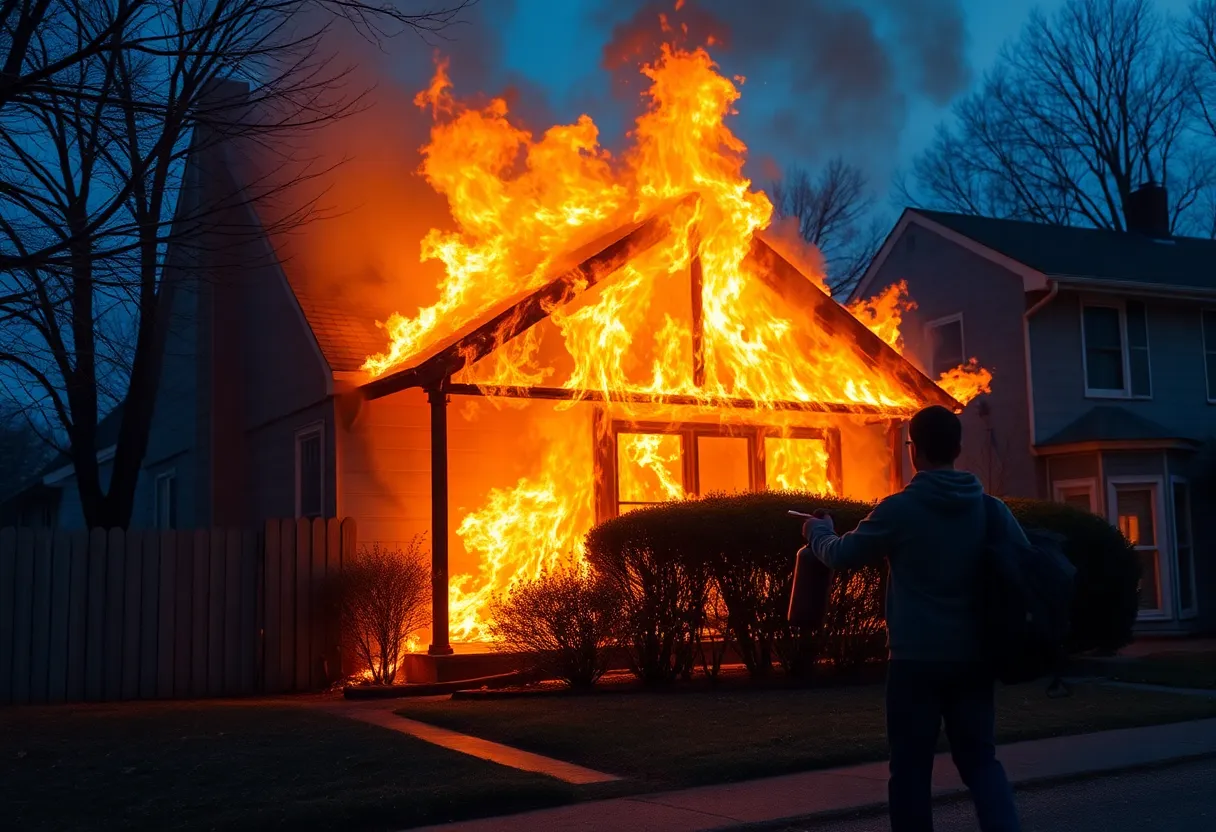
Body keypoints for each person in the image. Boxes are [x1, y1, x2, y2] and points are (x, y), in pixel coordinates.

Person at [802, 405, 1022, 832]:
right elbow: (1021, 568)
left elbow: (841, 555)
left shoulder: (899, 510)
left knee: (910, 771)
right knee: (981, 761)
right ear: (958, 448)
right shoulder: (994, 511)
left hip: (914, 663)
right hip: (974, 659)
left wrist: (816, 532)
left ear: (914, 451)